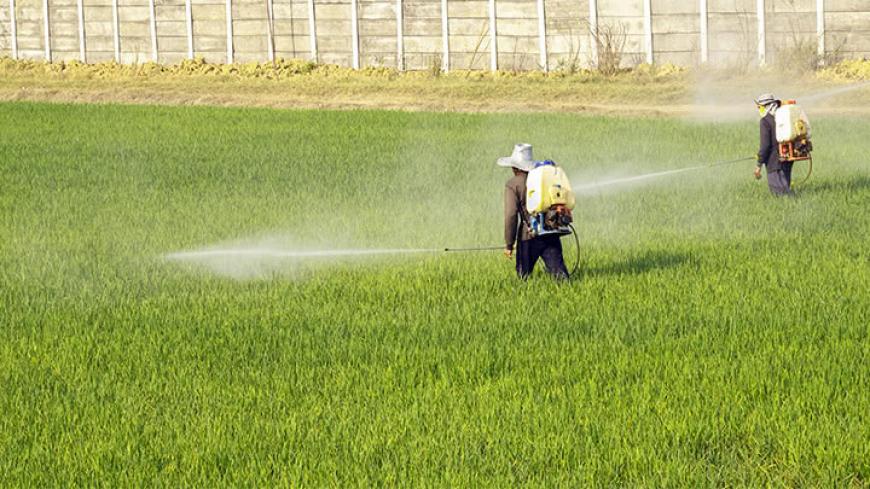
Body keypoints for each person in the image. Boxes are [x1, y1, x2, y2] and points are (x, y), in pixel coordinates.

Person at [498, 144, 570, 280]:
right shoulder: (544, 179)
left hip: (528, 236)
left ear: (515, 167)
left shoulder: (513, 184)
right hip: (550, 231)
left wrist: (509, 244)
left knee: (523, 278)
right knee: (561, 277)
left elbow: (511, 215)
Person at [754, 93, 793, 196]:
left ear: (767, 106)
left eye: (760, 107)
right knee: (786, 188)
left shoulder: (765, 121)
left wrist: (759, 164)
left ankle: (793, 202)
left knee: (780, 194)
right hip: (787, 158)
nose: (759, 110)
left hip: (774, 162)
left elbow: (765, 146)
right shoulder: (781, 118)